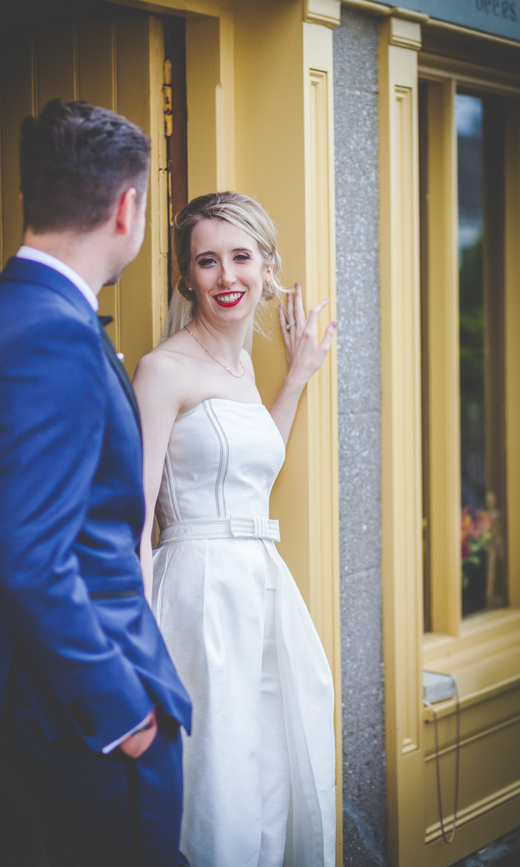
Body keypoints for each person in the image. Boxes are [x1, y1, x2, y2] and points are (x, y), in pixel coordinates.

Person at [0, 99, 192, 867]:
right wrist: (121, 712)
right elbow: (30, 557)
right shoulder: (55, 335)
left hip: (7, 700)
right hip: (80, 717)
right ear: (127, 207)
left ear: (24, 200)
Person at [132, 191, 337, 867]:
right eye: (208, 261)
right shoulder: (162, 370)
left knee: (267, 768)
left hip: (261, 587)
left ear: (268, 265)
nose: (227, 277)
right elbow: (137, 517)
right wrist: (133, 644)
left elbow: (252, 468)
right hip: (197, 595)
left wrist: (298, 376)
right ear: (187, 275)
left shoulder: (246, 365)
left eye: (241, 257)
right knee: (216, 772)